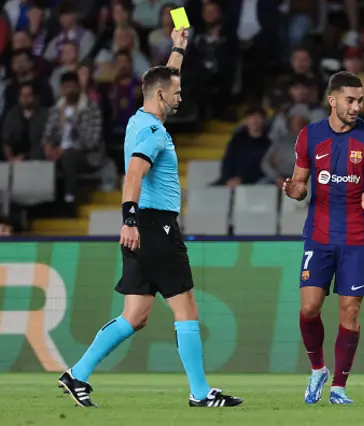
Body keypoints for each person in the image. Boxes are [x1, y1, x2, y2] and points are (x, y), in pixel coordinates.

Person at [57, 27, 243, 409]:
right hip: (154, 225)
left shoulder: (138, 120)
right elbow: (134, 175)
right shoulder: (155, 133)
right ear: (161, 95)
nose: (181, 94)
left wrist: (179, 47)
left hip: (142, 225)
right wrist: (129, 220)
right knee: (185, 306)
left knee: (135, 315)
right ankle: (200, 393)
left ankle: (76, 374)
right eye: (176, 92)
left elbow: (165, 77)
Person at [282, 71, 364, 405]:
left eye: (360, 100)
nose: (356, 106)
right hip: (318, 236)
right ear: (332, 100)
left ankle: (339, 387)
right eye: (350, 100)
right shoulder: (310, 135)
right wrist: (293, 189)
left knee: (350, 312)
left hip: (357, 237)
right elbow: (300, 185)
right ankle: (317, 369)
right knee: (309, 307)